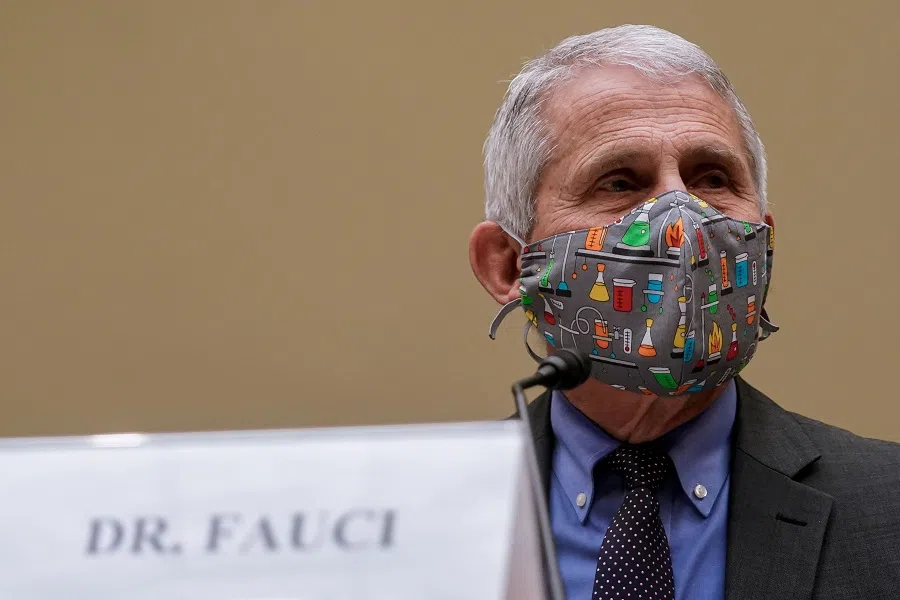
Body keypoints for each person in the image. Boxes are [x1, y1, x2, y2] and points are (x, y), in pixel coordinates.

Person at [469, 25, 900, 600]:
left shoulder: (887, 509)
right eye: (620, 182)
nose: (683, 221)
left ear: (761, 251)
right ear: (507, 267)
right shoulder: (423, 517)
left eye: (712, 178)